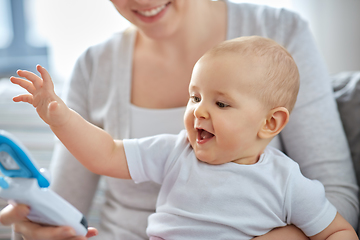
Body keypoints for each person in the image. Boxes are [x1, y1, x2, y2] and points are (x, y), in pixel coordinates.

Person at [0, 0, 358, 239]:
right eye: (195, 97)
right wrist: (59, 117)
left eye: (221, 103)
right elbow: (105, 153)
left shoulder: (287, 182)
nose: (199, 111)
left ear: (270, 123)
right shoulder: (175, 152)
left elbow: (336, 228)